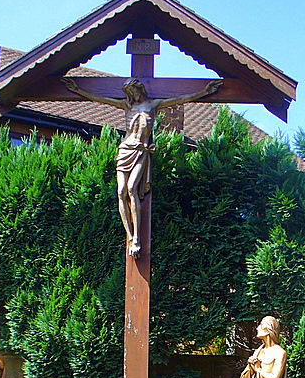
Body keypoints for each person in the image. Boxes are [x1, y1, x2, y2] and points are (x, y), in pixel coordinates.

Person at [62, 76, 222, 257]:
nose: (133, 95)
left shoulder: (153, 105)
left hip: (141, 151)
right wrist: (78, 90)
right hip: (125, 150)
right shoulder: (127, 105)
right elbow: (101, 99)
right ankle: (130, 236)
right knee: (121, 192)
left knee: (132, 188)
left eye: (134, 91)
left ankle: (137, 237)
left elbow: (180, 99)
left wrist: (204, 92)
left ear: (140, 89)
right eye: (129, 93)